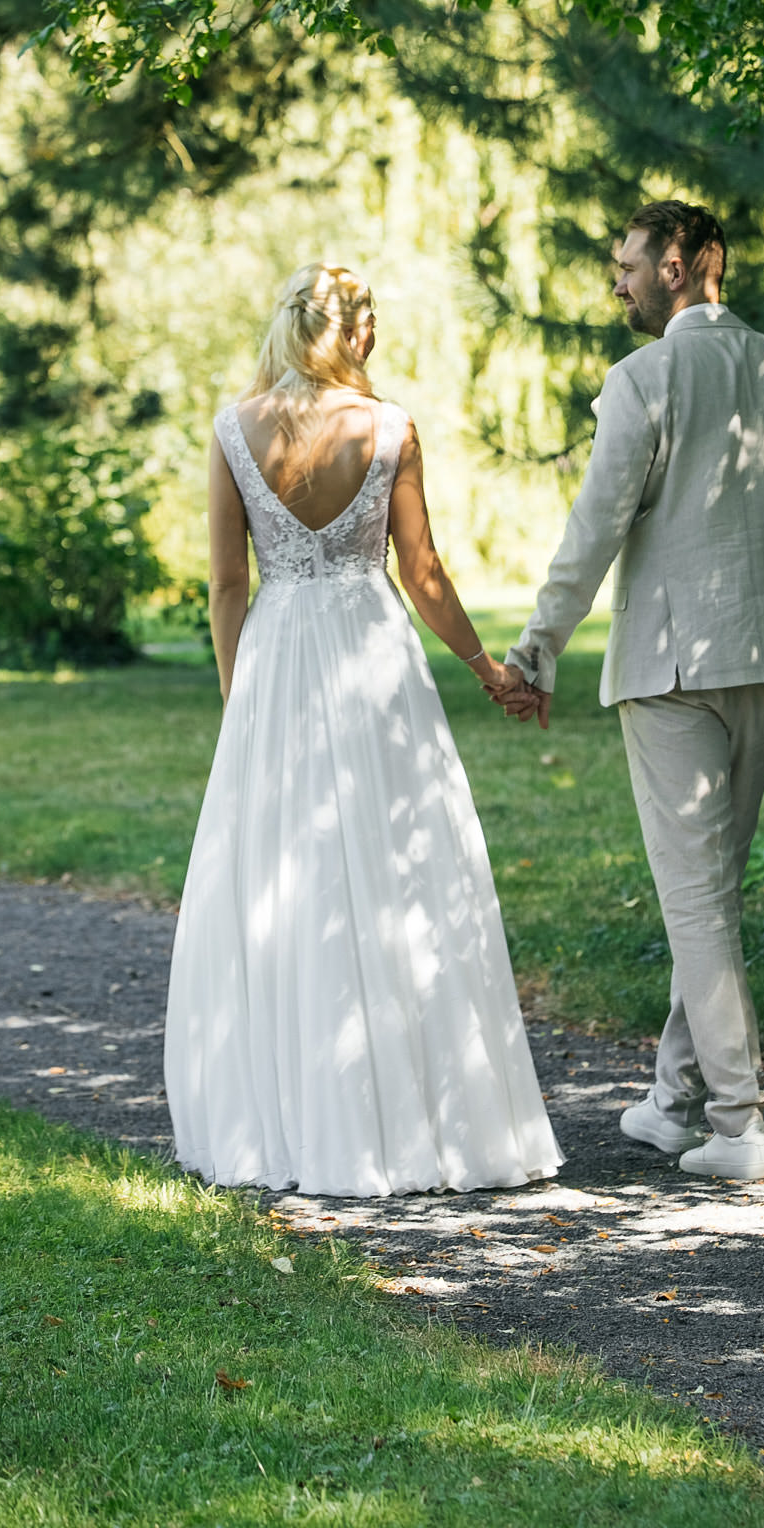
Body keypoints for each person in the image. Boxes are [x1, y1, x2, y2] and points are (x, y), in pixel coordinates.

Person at [165, 262, 561, 1197]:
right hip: (371, 655)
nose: (376, 330)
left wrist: (238, 697)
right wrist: (483, 669)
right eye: (369, 317)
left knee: (285, 875)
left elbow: (227, 584)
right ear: (346, 332)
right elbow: (421, 573)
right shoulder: (388, 429)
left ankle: (294, 1121)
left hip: (277, 662)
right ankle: (419, 1119)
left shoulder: (233, 428)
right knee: (402, 868)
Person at [500, 201, 764, 1182]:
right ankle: (669, 1101)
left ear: (690, 264)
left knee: (696, 907)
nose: (616, 280)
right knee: (712, 894)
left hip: (670, 670)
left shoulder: (642, 379)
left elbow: (590, 531)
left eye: (629, 264)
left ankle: (738, 1124)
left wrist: (534, 652)